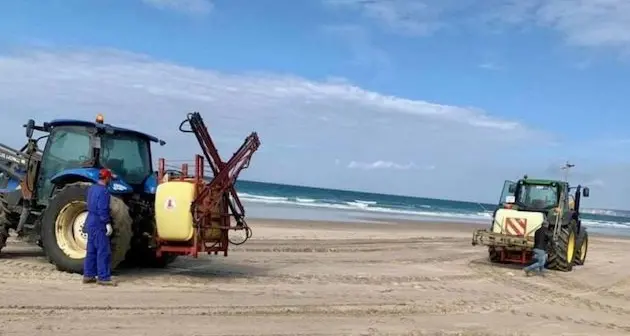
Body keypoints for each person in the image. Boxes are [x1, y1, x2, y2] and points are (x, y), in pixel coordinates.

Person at [82, 168, 116, 286]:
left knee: (91, 250)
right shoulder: (104, 192)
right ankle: (103, 277)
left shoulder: (92, 188)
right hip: (99, 223)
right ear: (106, 178)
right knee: (103, 251)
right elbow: (102, 209)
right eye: (109, 178)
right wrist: (107, 223)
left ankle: (88, 275)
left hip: (90, 221)